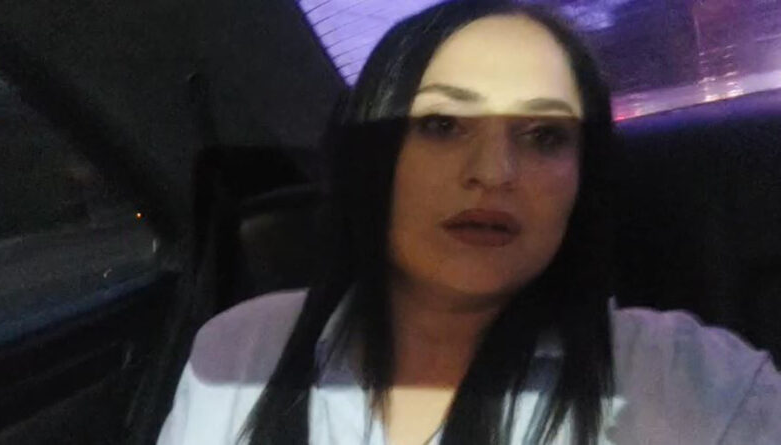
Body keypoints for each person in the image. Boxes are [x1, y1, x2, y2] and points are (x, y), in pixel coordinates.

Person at [156, 1, 781, 444]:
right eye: (442, 125)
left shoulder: (691, 381)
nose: (495, 172)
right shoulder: (239, 352)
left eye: (544, 135)